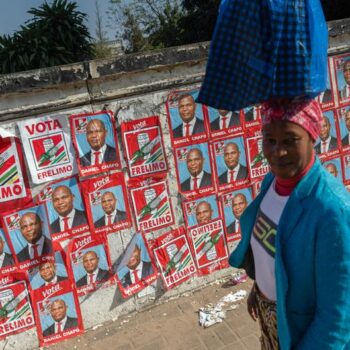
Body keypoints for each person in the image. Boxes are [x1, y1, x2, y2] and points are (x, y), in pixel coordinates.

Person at [229, 99, 350, 349]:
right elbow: (275, 247)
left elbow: (338, 317)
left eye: (290, 140)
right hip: (274, 322)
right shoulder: (271, 183)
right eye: (269, 140)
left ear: (312, 137)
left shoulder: (332, 211)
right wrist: (260, 287)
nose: (277, 152)